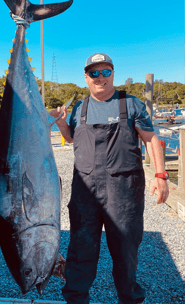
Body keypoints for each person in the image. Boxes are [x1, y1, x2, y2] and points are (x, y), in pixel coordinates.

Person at [50, 53, 169, 304]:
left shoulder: (131, 104)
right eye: (94, 73)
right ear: (86, 77)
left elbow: (150, 139)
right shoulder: (79, 108)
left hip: (124, 192)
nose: (100, 78)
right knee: (80, 252)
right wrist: (61, 125)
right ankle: (76, 299)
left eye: (106, 72)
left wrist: (160, 176)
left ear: (113, 74)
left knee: (125, 253)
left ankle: (129, 299)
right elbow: (73, 139)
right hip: (85, 192)